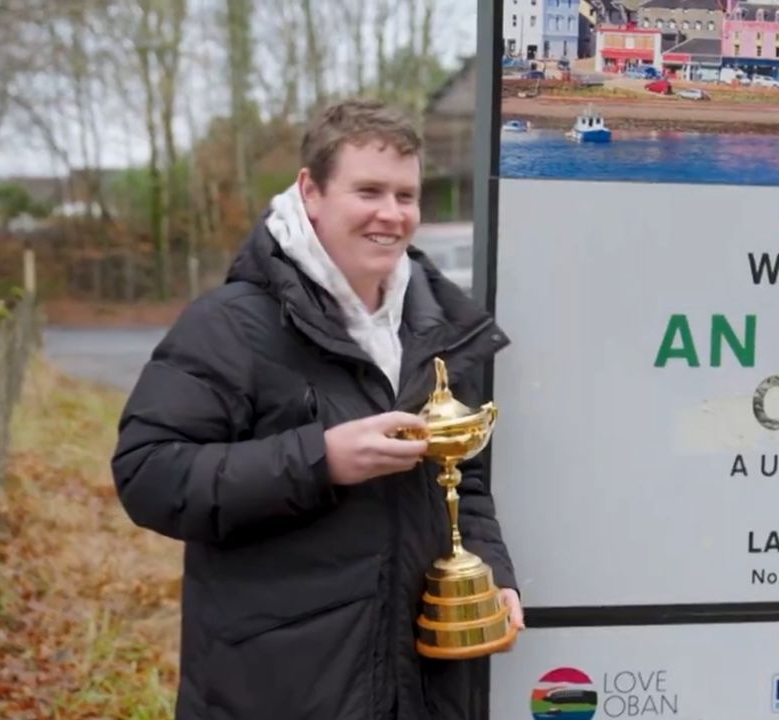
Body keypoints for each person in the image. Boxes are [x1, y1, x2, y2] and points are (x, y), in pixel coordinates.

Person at [110, 98, 522, 720]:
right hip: (279, 689)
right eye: (369, 191)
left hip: (424, 687)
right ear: (311, 191)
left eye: (406, 196)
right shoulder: (229, 326)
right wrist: (320, 460)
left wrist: (489, 572)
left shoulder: (437, 323)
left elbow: (466, 477)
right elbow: (148, 474)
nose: (392, 215)